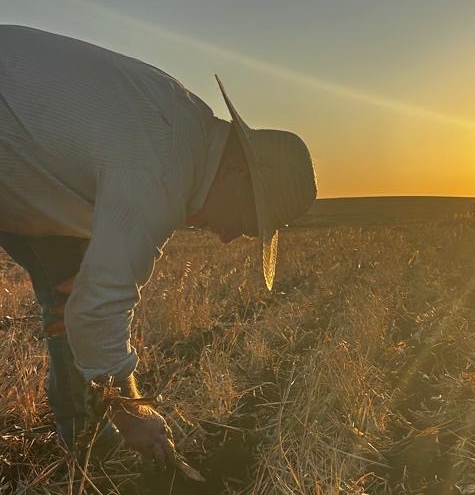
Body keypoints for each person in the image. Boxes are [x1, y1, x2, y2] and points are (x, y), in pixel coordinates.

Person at [0, 25, 317, 465]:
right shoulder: (165, 168)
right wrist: (132, 410)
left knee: (70, 279)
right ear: (238, 175)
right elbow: (100, 306)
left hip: (19, 149)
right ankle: (91, 442)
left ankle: (87, 445)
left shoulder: (183, 121)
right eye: (244, 224)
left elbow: (88, 293)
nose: (227, 237)